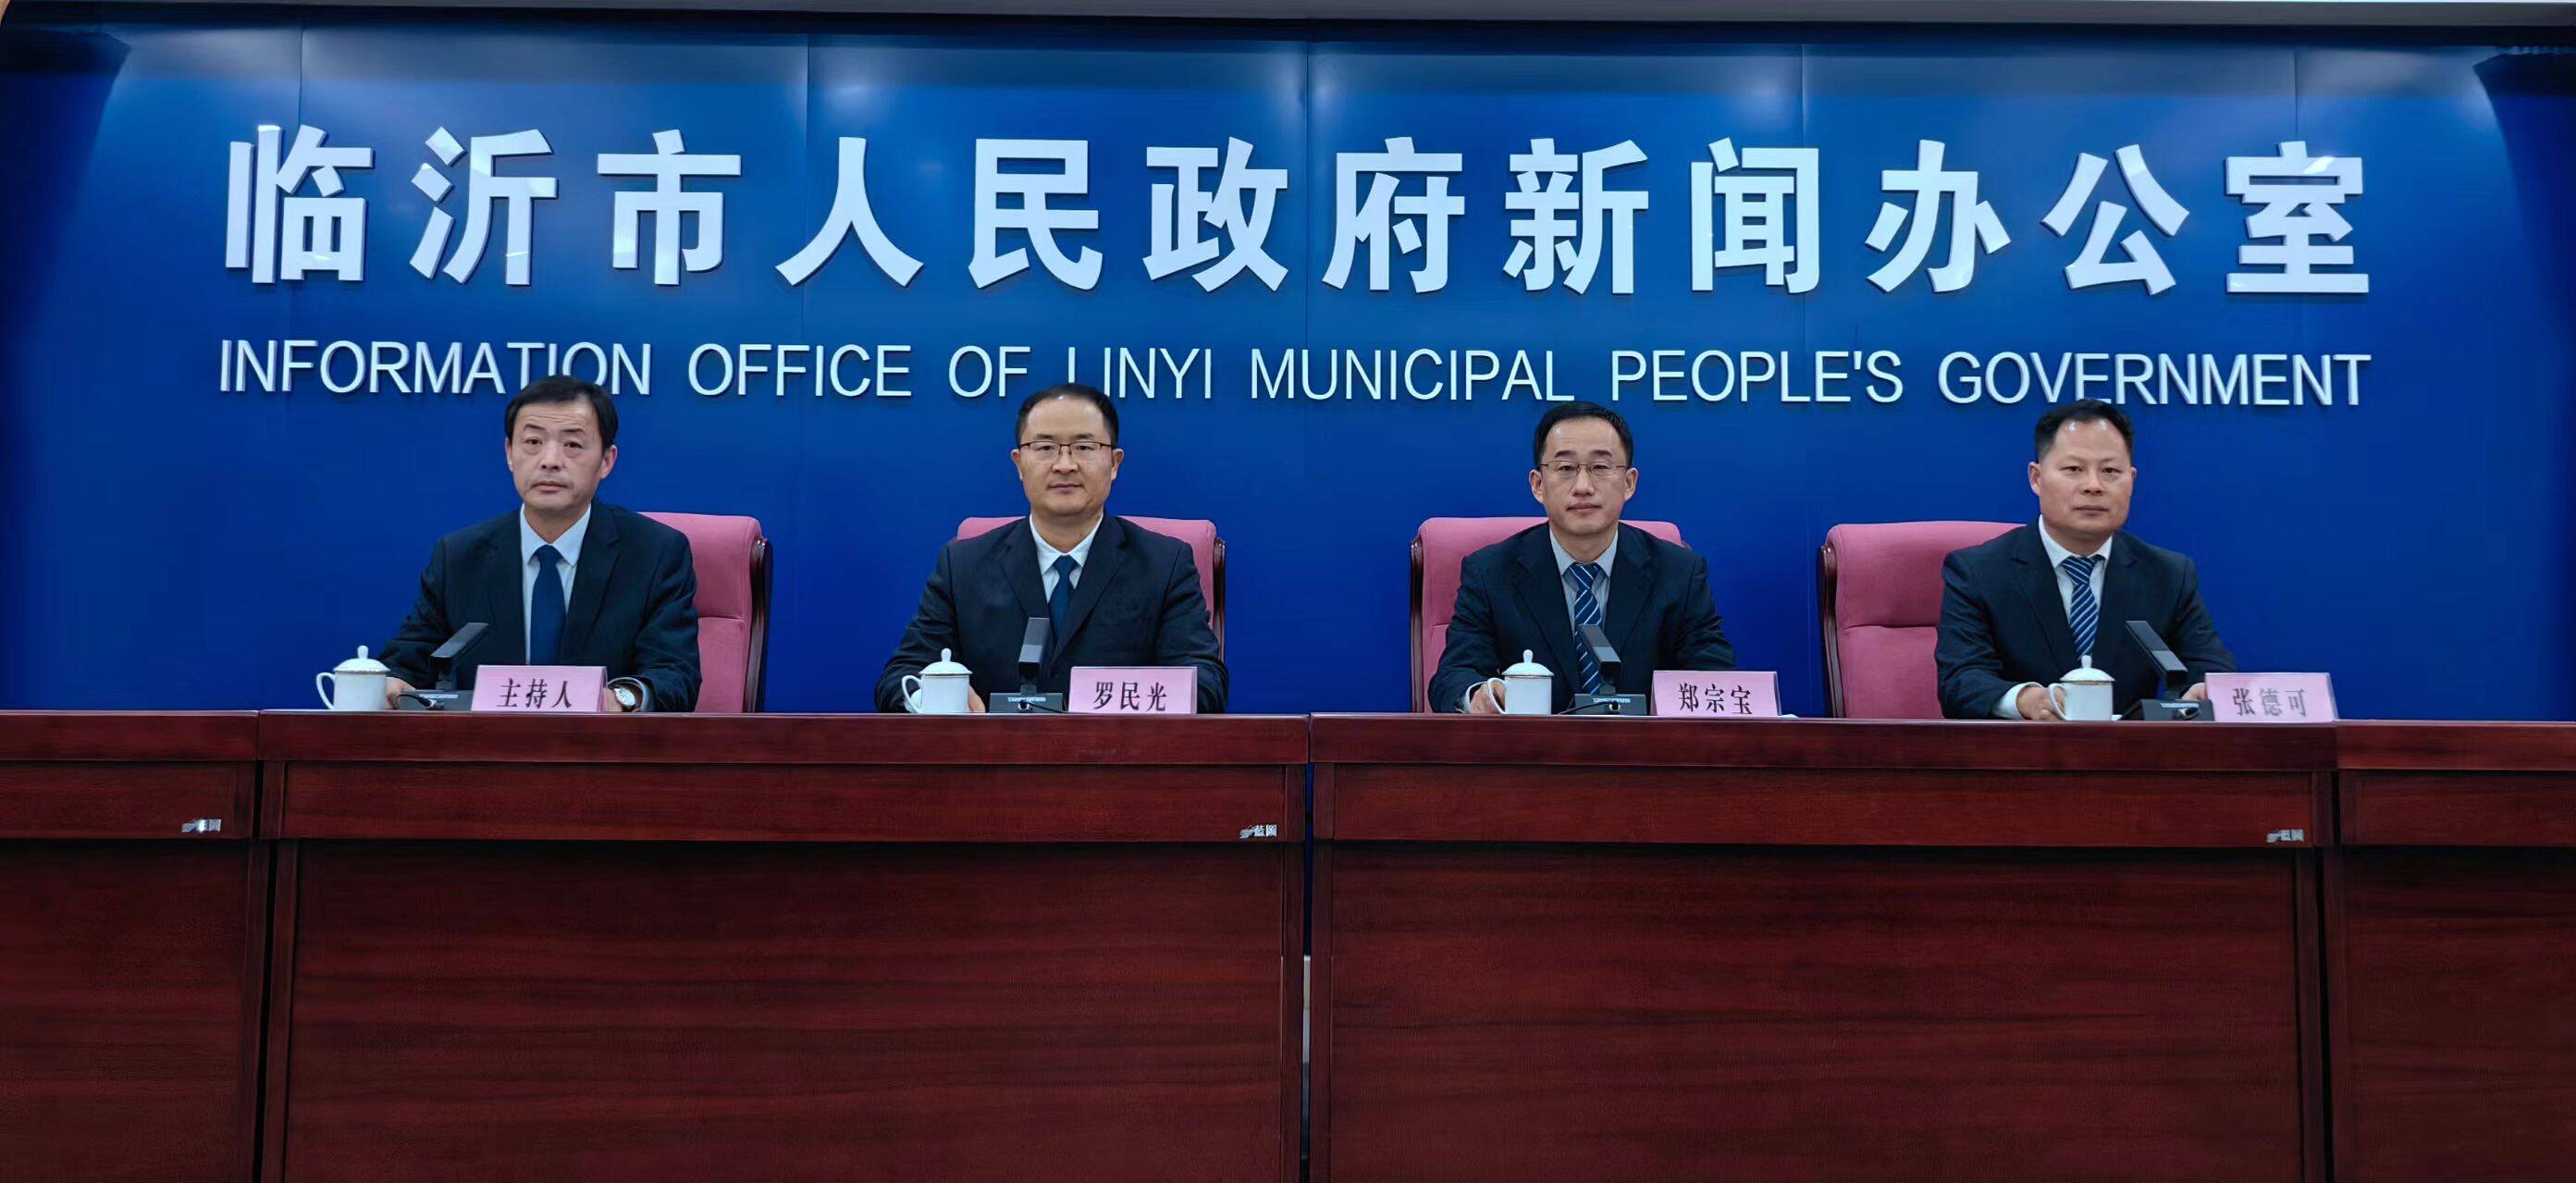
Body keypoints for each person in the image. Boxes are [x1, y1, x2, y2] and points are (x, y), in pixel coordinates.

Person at [876, 383, 1226, 712]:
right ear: (1019, 463)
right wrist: (938, 697)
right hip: (995, 754)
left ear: (1114, 463)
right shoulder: (963, 565)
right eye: (1045, 448)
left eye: (1084, 447)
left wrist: (1109, 705)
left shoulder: (1164, 564)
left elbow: (1205, 682)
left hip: (1119, 755)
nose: (1065, 465)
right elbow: (902, 676)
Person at [379, 376, 700, 712]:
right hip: (488, 743)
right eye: (533, 441)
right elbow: (408, 663)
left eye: (572, 445)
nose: (550, 460)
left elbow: (674, 675)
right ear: (509, 453)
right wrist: (391, 683)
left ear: (607, 460)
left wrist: (619, 699)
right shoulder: (459, 557)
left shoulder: (654, 553)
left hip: (605, 743)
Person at [1936, 400, 2234, 721]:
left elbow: (2209, 668)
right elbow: (1961, 681)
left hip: (2131, 750)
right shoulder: (1979, 572)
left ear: (2132, 480)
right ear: (2036, 478)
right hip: (2022, 748)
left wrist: (2203, 692)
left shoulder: (2168, 575)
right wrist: (2026, 700)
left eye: (2110, 471)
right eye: (2074, 469)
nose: (2094, 486)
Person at [1430, 400, 1733, 714]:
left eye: (1600, 467)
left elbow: (1714, 680)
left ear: (1628, 483)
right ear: (1538, 485)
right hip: (1534, 746)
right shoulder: (1490, 573)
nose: (1583, 487)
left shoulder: (1679, 573)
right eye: (1565, 468)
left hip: (1643, 745)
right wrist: (1481, 696)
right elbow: (1454, 676)